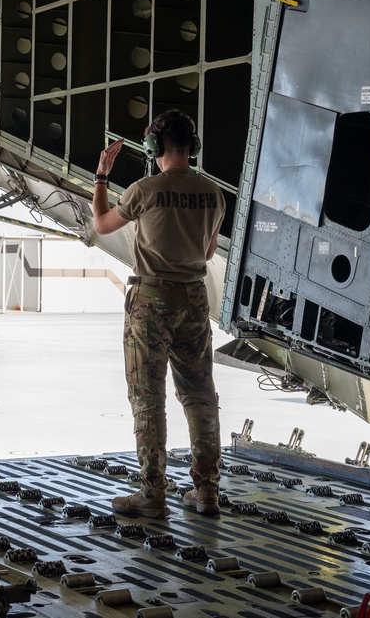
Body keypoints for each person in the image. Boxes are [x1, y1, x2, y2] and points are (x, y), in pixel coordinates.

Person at [92, 109, 225, 518]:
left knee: (148, 398)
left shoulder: (143, 190)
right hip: (194, 300)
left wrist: (101, 177)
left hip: (152, 300)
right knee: (200, 395)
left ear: (153, 148)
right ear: (193, 147)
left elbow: (100, 224)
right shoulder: (213, 193)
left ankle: (153, 493)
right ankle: (206, 493)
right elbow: (206, 253)